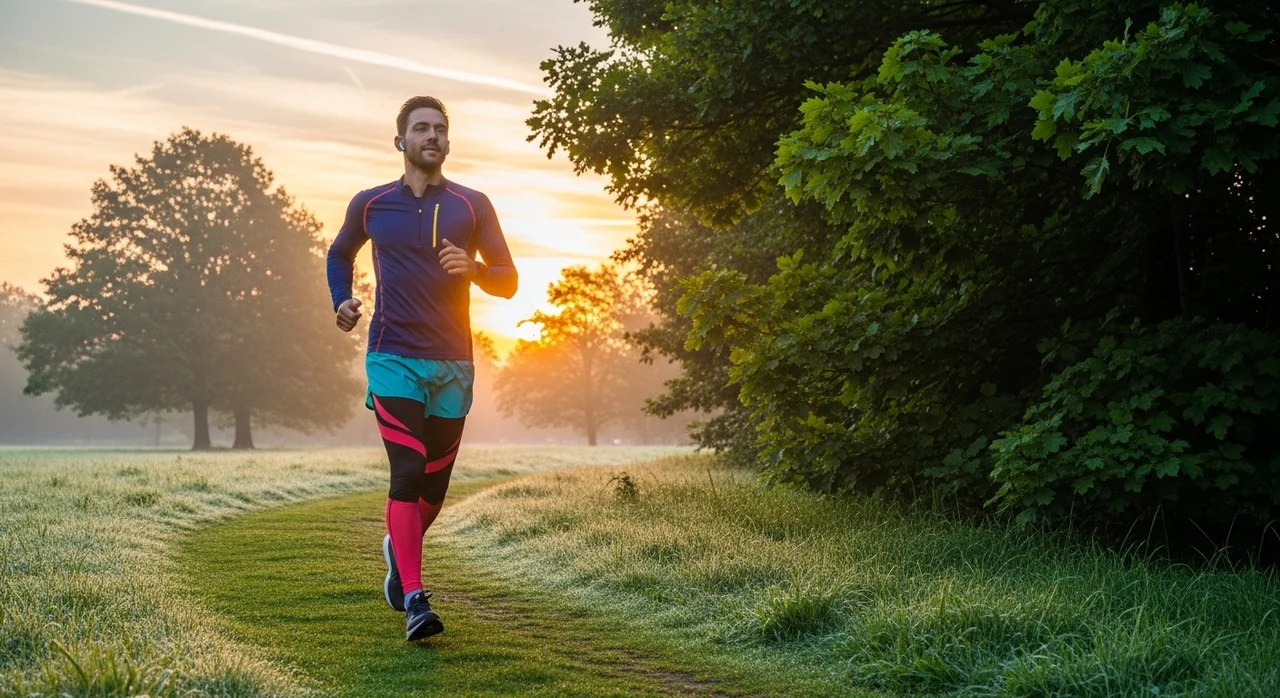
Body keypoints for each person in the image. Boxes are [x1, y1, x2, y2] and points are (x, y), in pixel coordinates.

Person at [326, 95, 517, 641]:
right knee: (407, 472)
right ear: (401, 140)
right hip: (392, 355)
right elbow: (339, 253)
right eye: (421, 128)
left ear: (448, 142)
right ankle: (415, 597)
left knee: (433, 487)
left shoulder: (472, 205)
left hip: (453, 362)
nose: (432, 136)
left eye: (440, 129)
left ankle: (397, 547)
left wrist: (474, 269)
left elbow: (508, 280)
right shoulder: (371, 204)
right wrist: (341, 300)